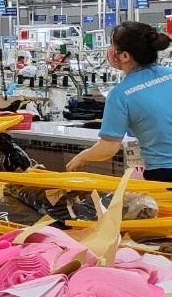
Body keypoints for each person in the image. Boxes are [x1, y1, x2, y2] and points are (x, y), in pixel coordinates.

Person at [67, 22, 172, 179]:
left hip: (164, 173)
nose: (109, 50)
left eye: (112, 45)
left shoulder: (120, 94)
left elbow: (108, 148)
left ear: (124, 56)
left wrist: (82, 156)